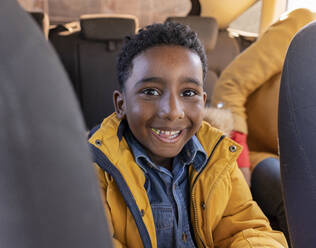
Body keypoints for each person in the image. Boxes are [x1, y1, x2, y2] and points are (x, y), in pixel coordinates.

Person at [89, 22, 287, 248]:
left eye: (188, 93)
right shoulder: (95, 171)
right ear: (121, 103)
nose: (173, 111)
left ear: (202, 102)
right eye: (151, 92)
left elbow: (246, 228)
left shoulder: (217, 157)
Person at [211, 8, 316, 242]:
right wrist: (241, 161)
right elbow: (229, 86)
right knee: (291, 190)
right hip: (258, 152)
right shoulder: (300, 26)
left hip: (307, 159)